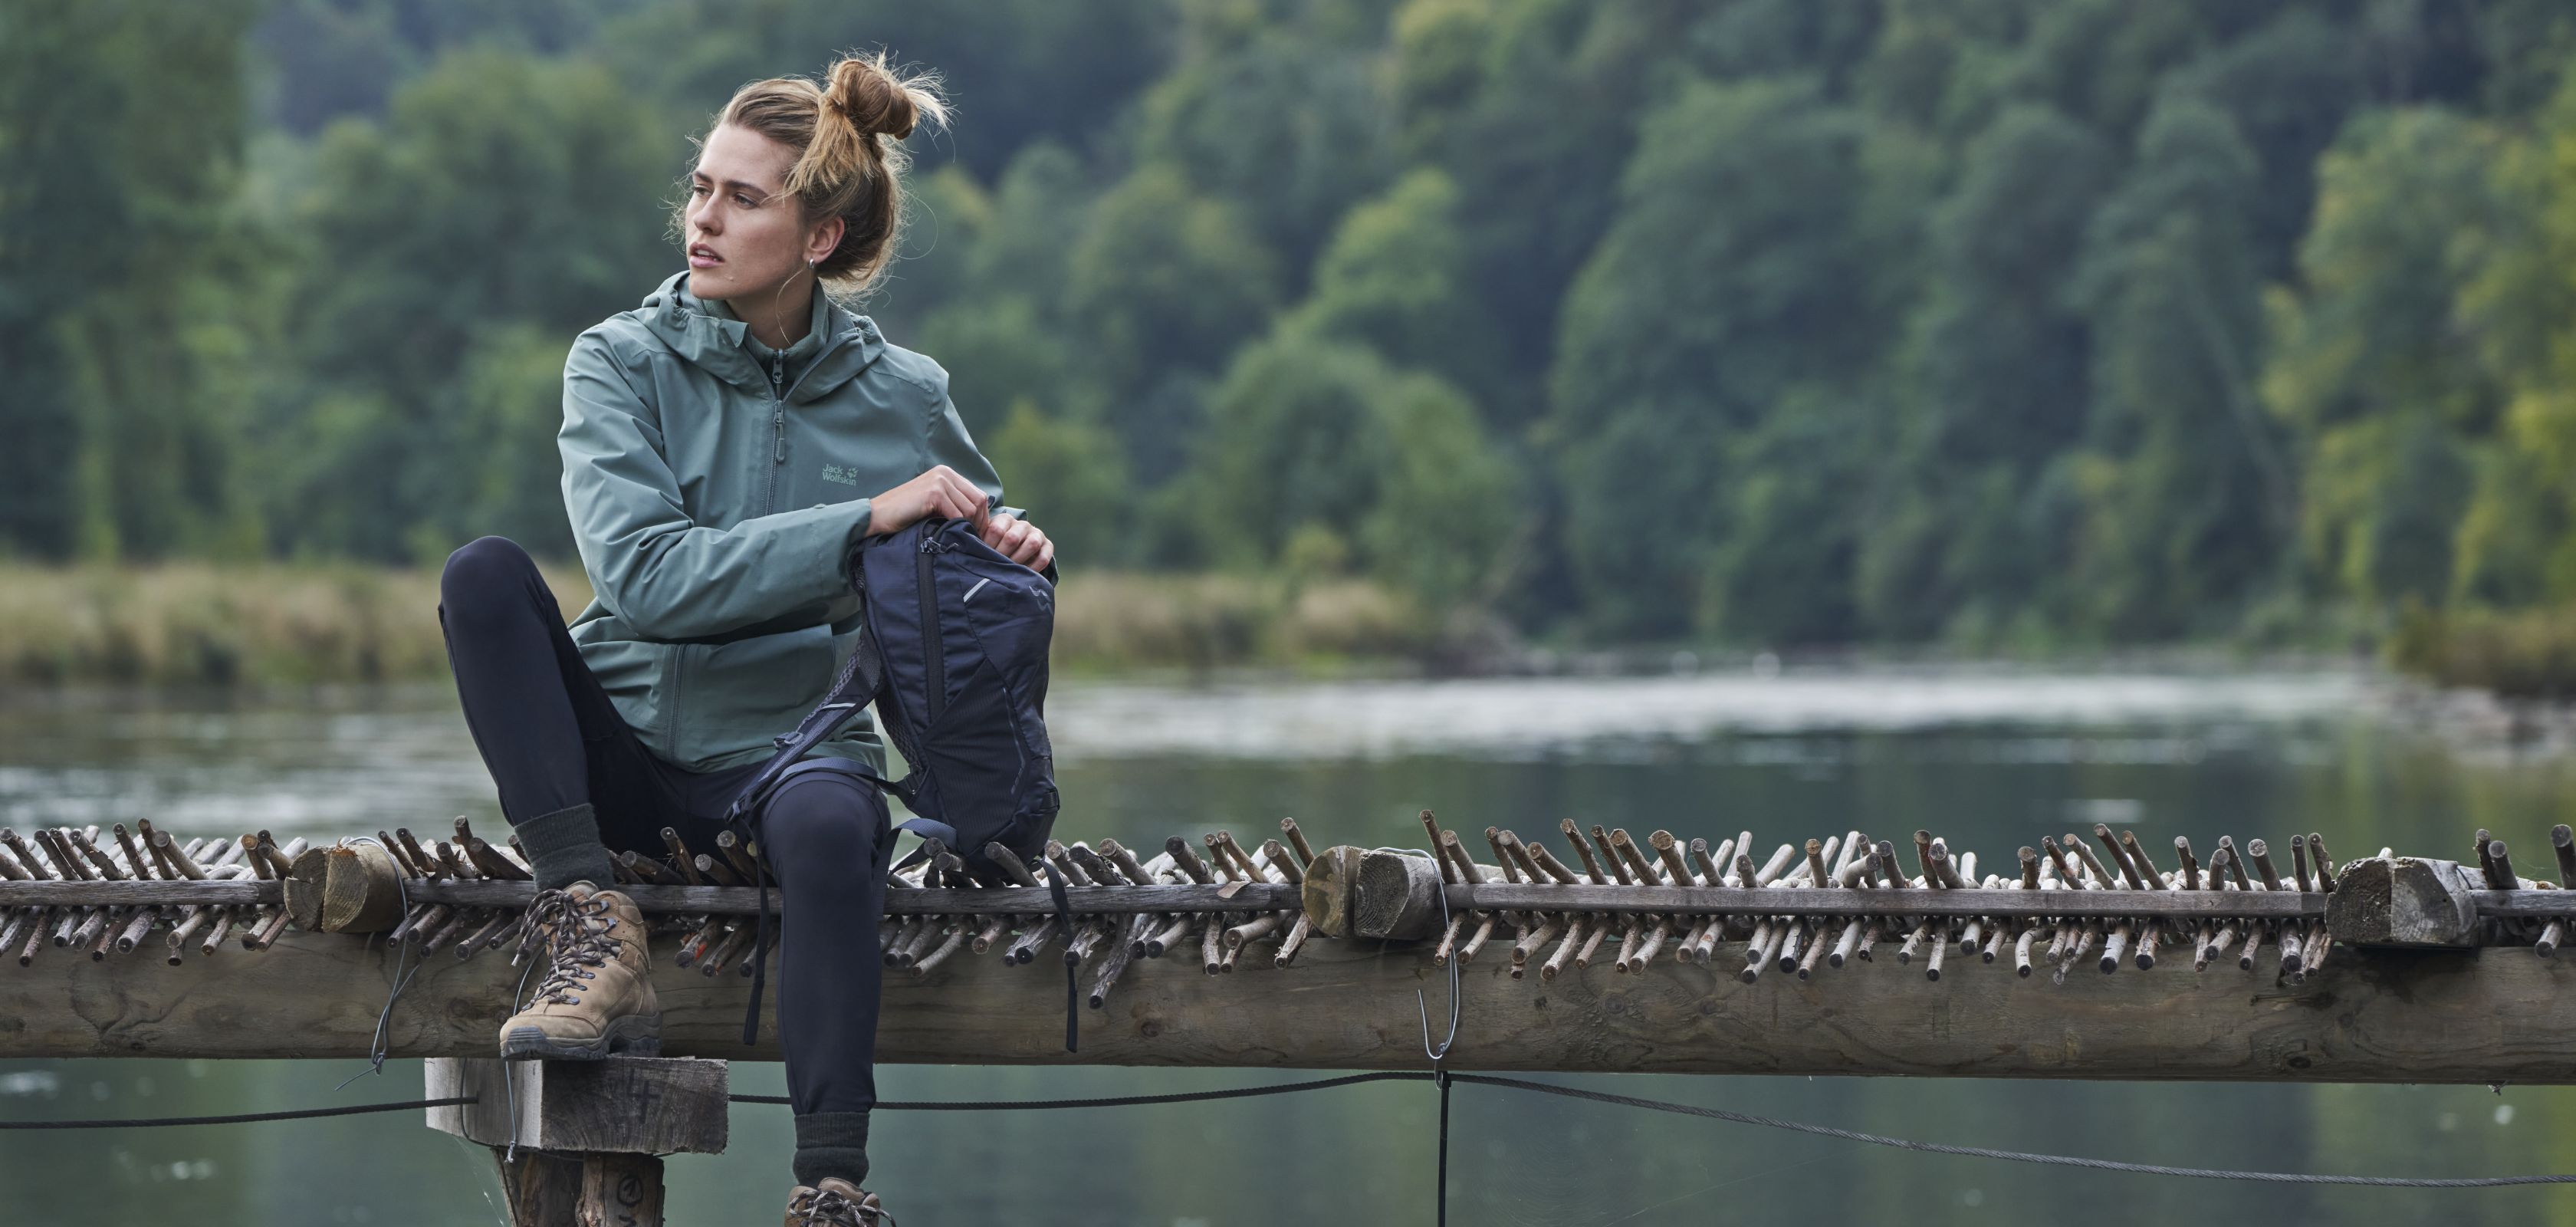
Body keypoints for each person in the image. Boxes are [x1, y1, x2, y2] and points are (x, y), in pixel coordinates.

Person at [436, 52, 1050, 1226]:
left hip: (790, 753)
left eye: (743, 198)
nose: (702, 219)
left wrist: (1016, 551)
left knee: (836, 825)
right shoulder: (618, 361)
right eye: (702, 187)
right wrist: (867, 519)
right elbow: (648, 581)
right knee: (483, 579)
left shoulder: (907, 394)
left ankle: (831, 1185)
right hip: (617, 755)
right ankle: (588, 928)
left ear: (818, 239)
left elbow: (976, 539)